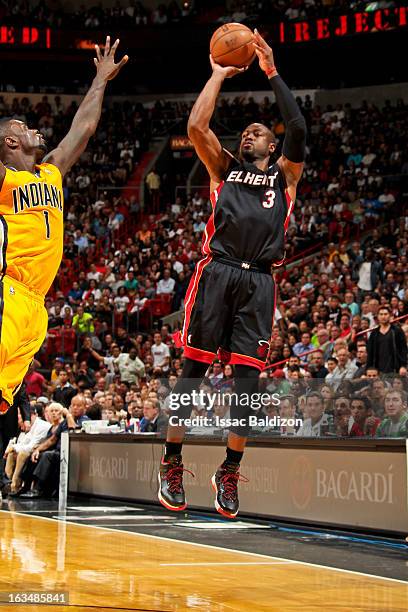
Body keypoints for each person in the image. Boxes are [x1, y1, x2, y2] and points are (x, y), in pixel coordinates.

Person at [158, 29, 306, 518]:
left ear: (271, 145)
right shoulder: (223, 168)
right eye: (245, 131)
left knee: (248, 387)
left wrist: (272, 72)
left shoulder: (284, 176)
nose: (249, 134)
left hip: (260, 280)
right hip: (217, 272)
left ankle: (229, 469)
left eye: (259, 132)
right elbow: (198, 125)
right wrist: (218, 74)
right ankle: (173, 462)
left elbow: (299, 127)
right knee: (191, 374)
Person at [0, 36, 128, 415]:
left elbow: (84, 127)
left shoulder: (51, 172)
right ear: (9, 140)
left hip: (37, 305)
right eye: (24, 126)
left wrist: (101, 79)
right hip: (10, 292)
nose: (34, 129)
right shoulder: (5, 179)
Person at [367, 306, 407, 374]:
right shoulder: (374, 333)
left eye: (385, 314)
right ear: (378, 316)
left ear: (390, 315)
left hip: (395, 370)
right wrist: (369, 369)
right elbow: (370, 353)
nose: (383, 316)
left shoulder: (397, 331)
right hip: (378, 371)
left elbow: (403, 349)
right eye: (381, 314)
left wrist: (403, 366)